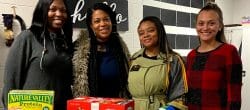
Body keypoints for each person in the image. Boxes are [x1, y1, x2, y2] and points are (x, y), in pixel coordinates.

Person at [1, 0, 73, 109]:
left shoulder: (65, 42)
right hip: (32, 106)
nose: (59, 14)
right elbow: (11, 80)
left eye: (63, 11)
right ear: (42, 11)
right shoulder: (27, 37)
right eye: (52, 9)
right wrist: (9, 106)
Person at [186, 2, 242, 110]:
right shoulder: (191, 55)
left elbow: (234, 96)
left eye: (211, 23)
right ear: (196, 26)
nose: (205, 28)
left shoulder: (229, 52)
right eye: (201, 23)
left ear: (220, 26)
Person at [72, 3, 131, 98]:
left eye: (106, 19)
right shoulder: (78, 49)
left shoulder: (120, 47)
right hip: (89, 106)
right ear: (91, 26)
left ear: (111, 22)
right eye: (97, 21)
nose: (103, 24)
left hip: (118, 104)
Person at [128, 16, 188, 110]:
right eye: (141, 33)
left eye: (150, 30)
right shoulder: (133, 59)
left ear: (160, 32)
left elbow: (180, 97)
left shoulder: (173, 61)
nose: (145, 35)